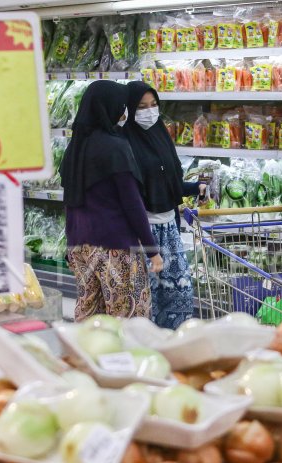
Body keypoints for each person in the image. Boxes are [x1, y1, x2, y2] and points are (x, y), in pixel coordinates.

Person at [61, 80, 163, 321]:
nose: (124, 111)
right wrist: (152, 250)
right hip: (115, 247)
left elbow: (69, 203)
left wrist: (70, 244)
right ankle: (124, 360)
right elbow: (132, 204)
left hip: (79, 247)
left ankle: (86, 357)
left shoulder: (74, 149)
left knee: (89, 316)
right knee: (128, 317)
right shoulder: (115, 147)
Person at [123, 81, 204, 329]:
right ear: (128, 109)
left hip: (169, 227)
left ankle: (174, 349)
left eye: (154, 105)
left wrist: (195, 187)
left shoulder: (160, 134)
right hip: (142, 231)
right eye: (141, 106)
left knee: (179, 294)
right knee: (147, 300)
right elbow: (130, 193)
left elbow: (168, 180)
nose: (149, 111)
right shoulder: (124, 141)